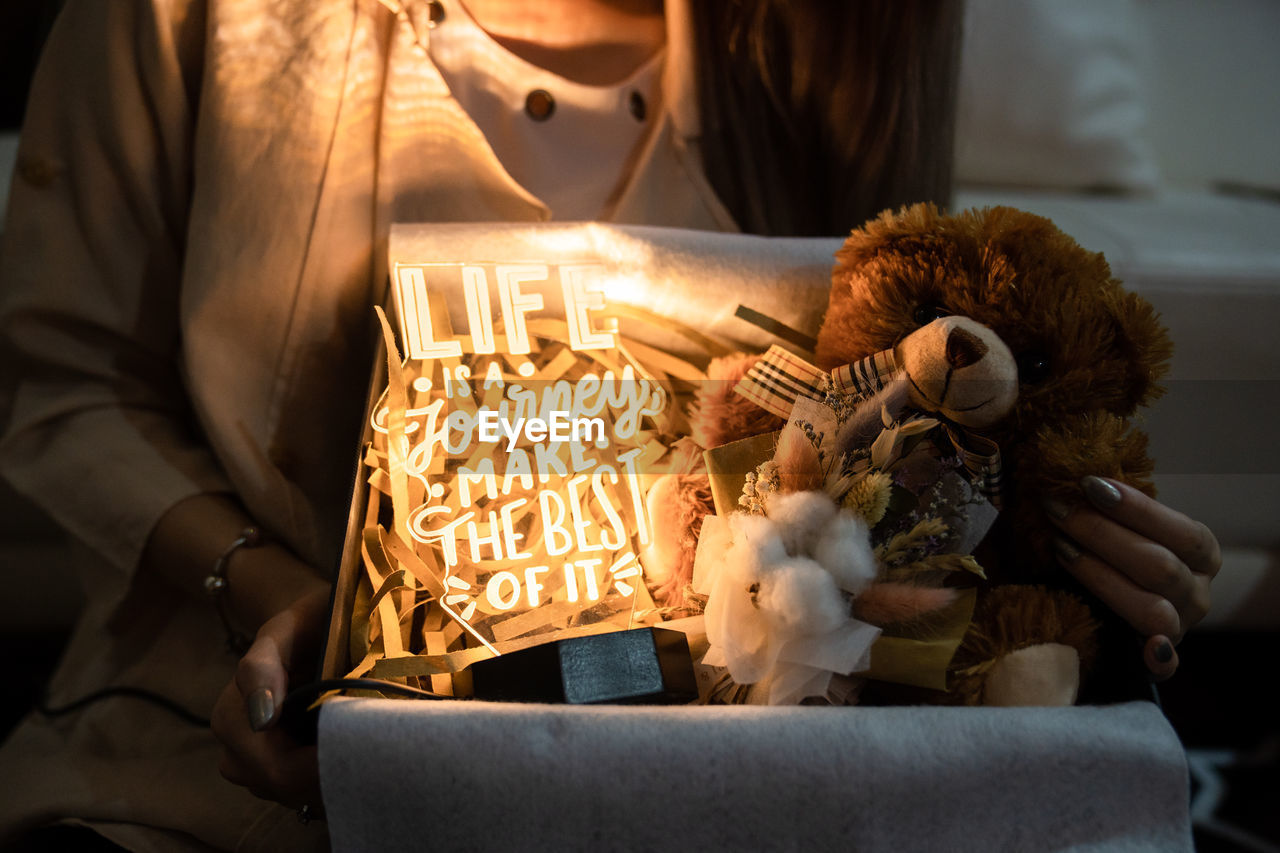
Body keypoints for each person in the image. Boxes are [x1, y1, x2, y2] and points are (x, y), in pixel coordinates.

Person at [0, 0, 1220, 850]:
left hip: (709, 787)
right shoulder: (200, 21)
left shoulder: (846, 34)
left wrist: (1053, 553)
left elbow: (898, 433)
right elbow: (62, 380)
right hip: (203, 761)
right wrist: (282, 595)